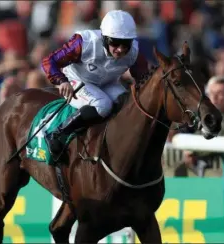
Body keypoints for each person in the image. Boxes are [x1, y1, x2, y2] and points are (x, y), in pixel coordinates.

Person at [41, 10, 149, 158]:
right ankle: (57, 133)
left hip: (107, 83)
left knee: (126, 103)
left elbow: (144, 79)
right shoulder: (84, 42)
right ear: (104, 38)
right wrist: (61, 81)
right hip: (77, 80)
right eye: (115, 43)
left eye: (126, 44)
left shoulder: (134, 52)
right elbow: (49, 61)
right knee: (103, 104)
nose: (120, 49)